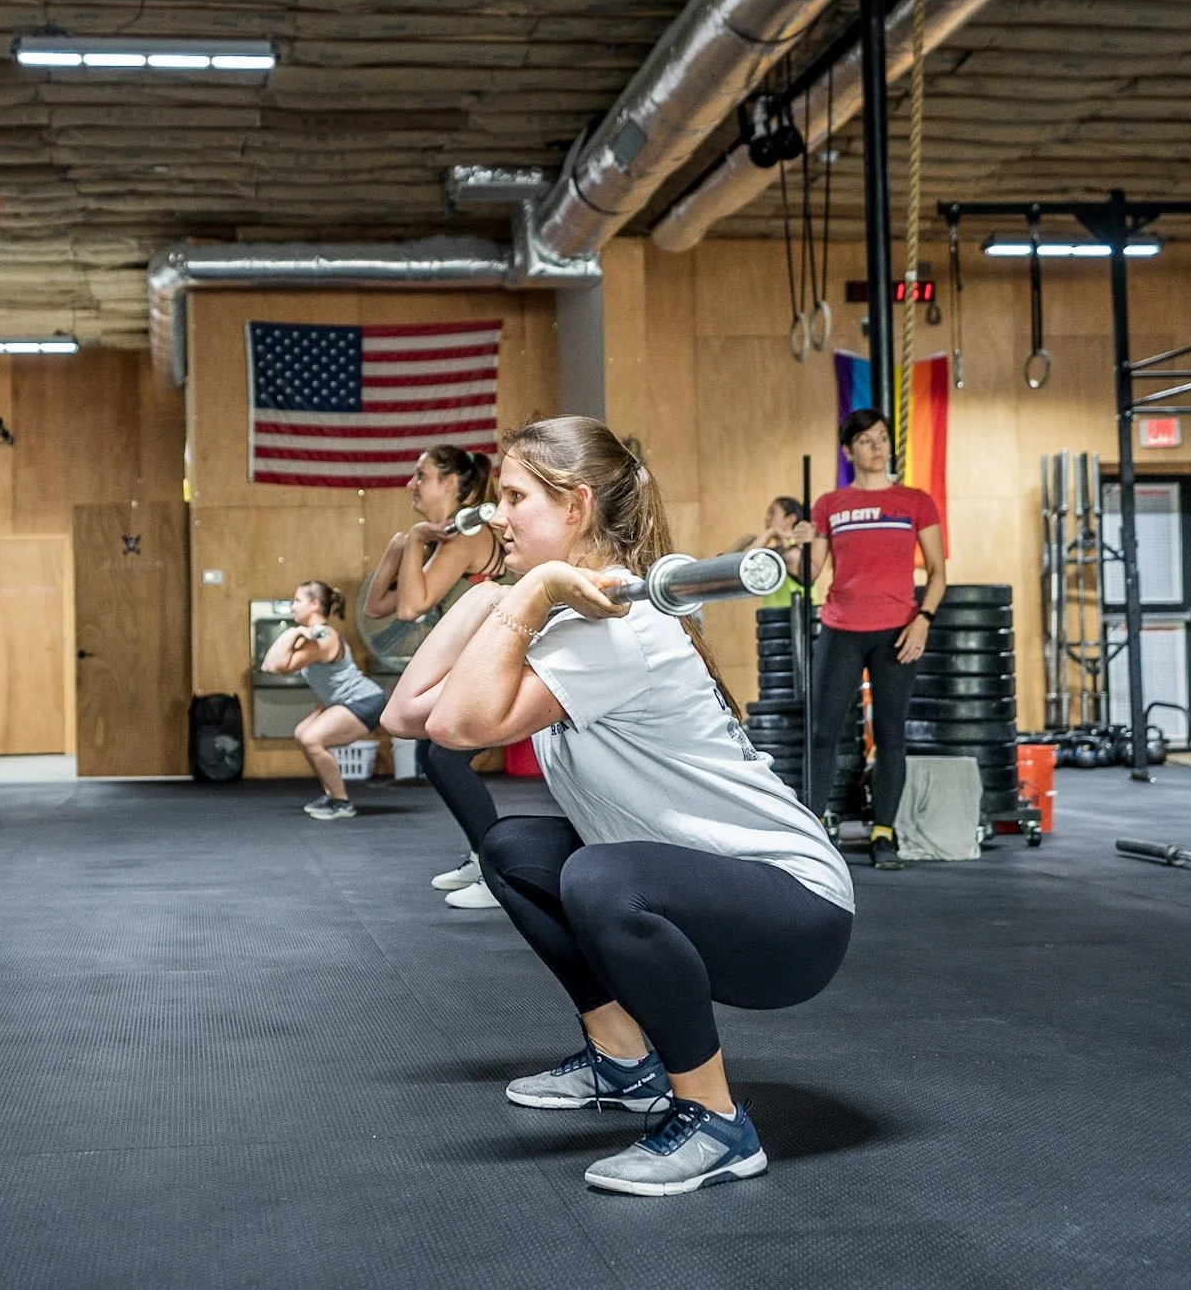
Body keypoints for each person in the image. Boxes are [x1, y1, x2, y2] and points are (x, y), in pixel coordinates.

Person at [382, 416, 853, 1197]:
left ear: (576, 507)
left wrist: (525, 595)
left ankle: (716, 1120)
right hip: (710, 890)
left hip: (795, 909)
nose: (496, 515)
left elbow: (456, 727)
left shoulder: (618, 630)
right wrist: (497, 594)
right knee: (514, 852)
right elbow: (411, 714)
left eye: (513, 496)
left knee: (599, 876)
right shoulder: (567, 615)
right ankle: (623, 1061)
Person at [803, 408, 947, 871]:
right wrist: (801, 542)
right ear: (849, 451)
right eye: (865, 440)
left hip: (897, 631)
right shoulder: (830, 504)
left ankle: (883, 833)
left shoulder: (915, 501)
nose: (876, 446)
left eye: (882, 438)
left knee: (890, 735)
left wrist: (923, 618)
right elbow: (807, 575)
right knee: (823, 733)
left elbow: (940, 572)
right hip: (842, 627)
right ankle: (812, 828)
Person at [363, 446, 506, 908]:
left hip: (500, 665)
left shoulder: (466, 536)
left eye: (421, 475)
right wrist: (400, 546)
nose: (412, 484)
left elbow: (409, 606)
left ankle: (497, 872)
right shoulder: (445, 537)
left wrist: (418, 540)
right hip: (476, 666)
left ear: (450, 482)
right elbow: (377, 608)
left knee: (443, 759)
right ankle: (482, 856)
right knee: (436, 755)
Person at [259, 581, 386, 821]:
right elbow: (269, 665)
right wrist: (297, 632)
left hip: (364, 700)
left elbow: (275, 666)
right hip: (344, 702)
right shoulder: (312, 635)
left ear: (315, 604)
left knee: (312, 738)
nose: (292, 606)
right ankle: (332, 795)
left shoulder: (323, 637)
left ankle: (342, 802)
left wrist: (292, 632)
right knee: (302, 733)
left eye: (298, 601)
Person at [729, 496, 810, 608]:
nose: (766, 518)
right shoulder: (775, 552)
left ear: (791, 519)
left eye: (772, 513)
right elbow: (725, 567)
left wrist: (770, 532)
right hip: (772, 619)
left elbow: (746, 565)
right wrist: (742, 542)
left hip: (796, 620)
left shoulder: (794, 553)